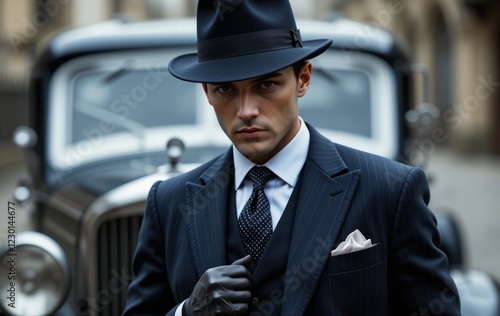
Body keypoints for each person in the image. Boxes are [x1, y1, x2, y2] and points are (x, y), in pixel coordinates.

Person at [124, 0, 461, 315]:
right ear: (206, 92)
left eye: (267, 85)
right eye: (226, 89)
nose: (246, 111)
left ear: (303, 78)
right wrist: (187, 312)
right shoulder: (168, 203)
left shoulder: (391, 190)